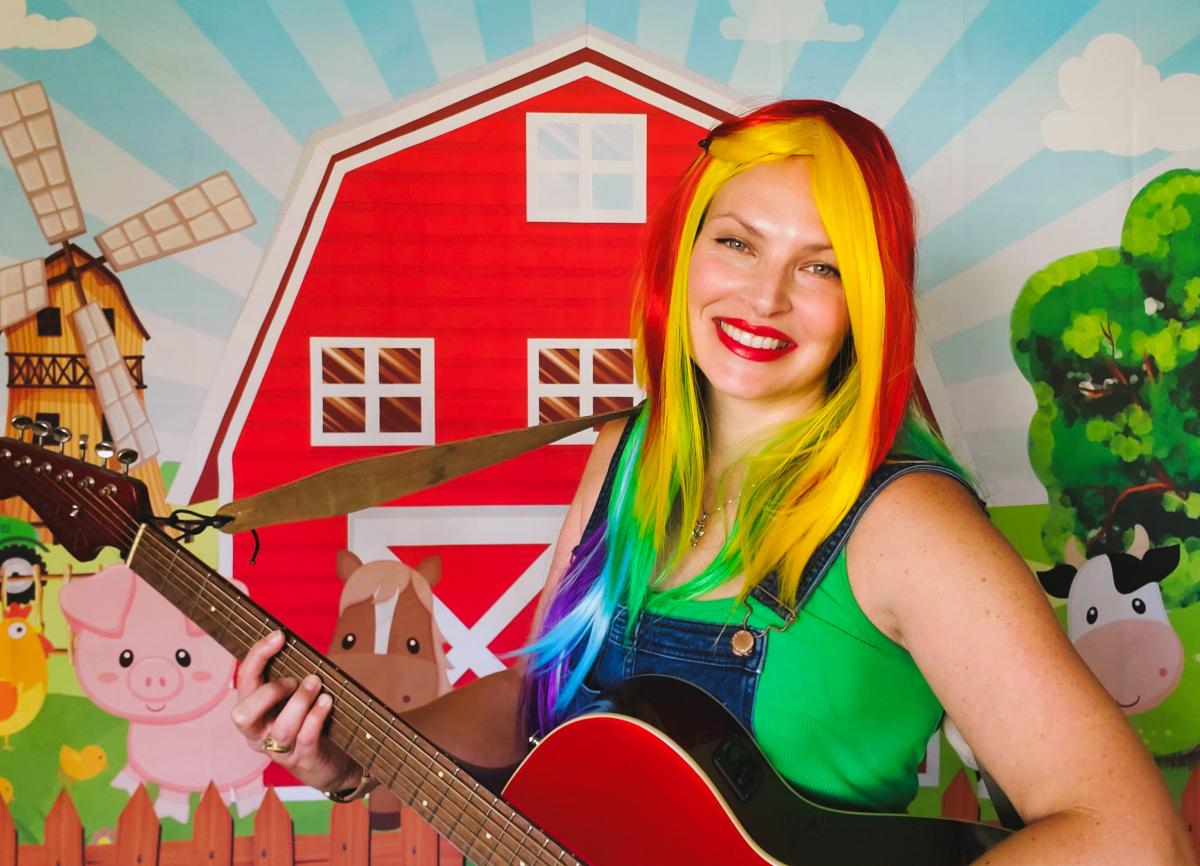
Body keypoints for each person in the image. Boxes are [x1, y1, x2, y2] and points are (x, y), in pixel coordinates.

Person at [231, 100, 1192, 864]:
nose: (764, 299)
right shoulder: (626, 458)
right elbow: (545, 702)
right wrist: (349, 750)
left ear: (869, 303)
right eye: (737, 242)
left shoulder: (910, 524)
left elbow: (1131, 841)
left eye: (819, 267)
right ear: (682, 253)